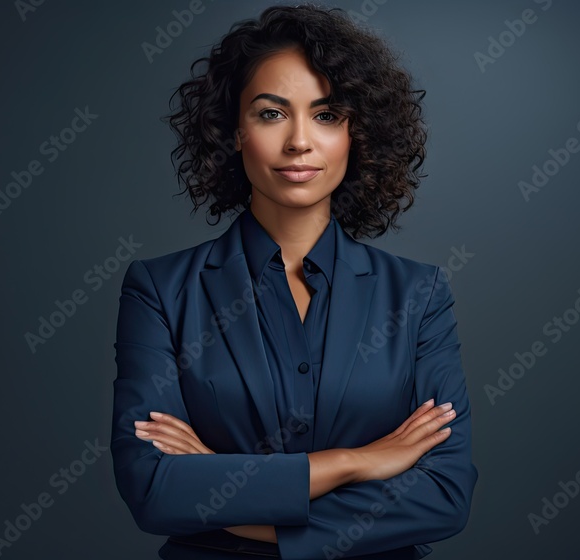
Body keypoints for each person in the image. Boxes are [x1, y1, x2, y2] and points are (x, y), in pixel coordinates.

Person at [110, 4, 478, 559]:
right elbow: (155, 491)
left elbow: (444, 495)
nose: (300, 142)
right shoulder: (160, 289)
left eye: (327, 115)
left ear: (358, 133)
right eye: (271, 114)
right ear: (235, 131)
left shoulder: (419, 294)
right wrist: (354, 462)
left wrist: (229, 496)